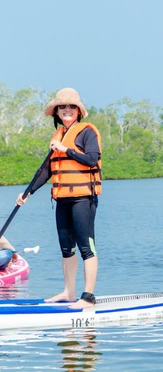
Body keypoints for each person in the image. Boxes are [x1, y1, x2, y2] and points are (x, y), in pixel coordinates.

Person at [16, 87, 102, 309]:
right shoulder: (57, 135)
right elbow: (46, 170)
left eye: (71, 106)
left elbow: (92, 160)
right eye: (62, 107)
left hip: (83, 198)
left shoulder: (87, 132)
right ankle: (69, 292)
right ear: (56, 112)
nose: (66, 110)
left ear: (78, 111)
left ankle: (88, 297)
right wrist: (27, 193)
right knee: (66, 248)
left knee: (86, 247)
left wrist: (66, 149)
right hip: (62, 199)